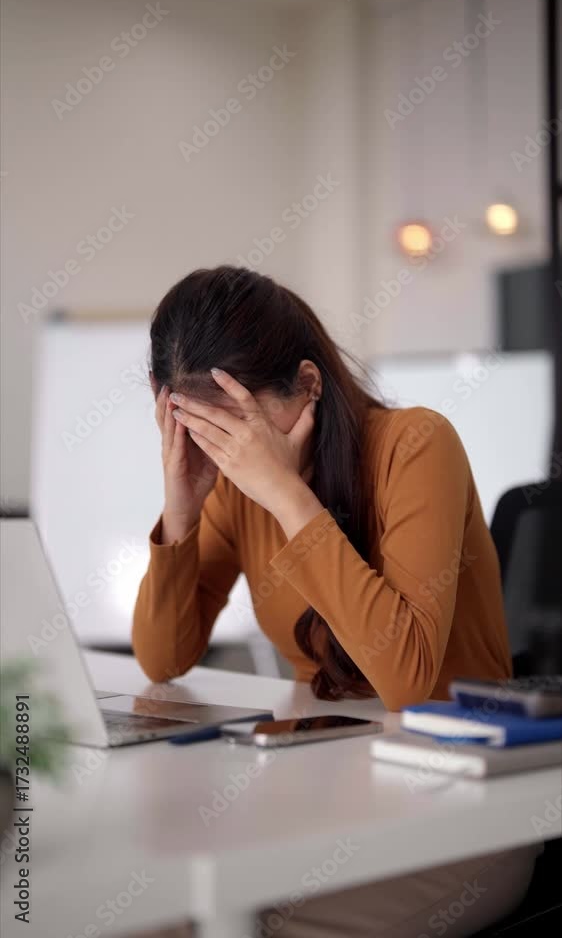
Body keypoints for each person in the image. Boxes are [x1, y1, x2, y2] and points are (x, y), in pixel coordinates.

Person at [131, 265, 539, 937]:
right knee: (162, 912)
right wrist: (181, 507)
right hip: (325, 790)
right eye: (208, 431)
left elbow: (407, 680)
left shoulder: (415, 444)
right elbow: (162, 658)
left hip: (463, 808)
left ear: (308, 384)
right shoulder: (231, 485)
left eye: (244, 429)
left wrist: (287, 496)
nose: (235, 454)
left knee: (253, 926)